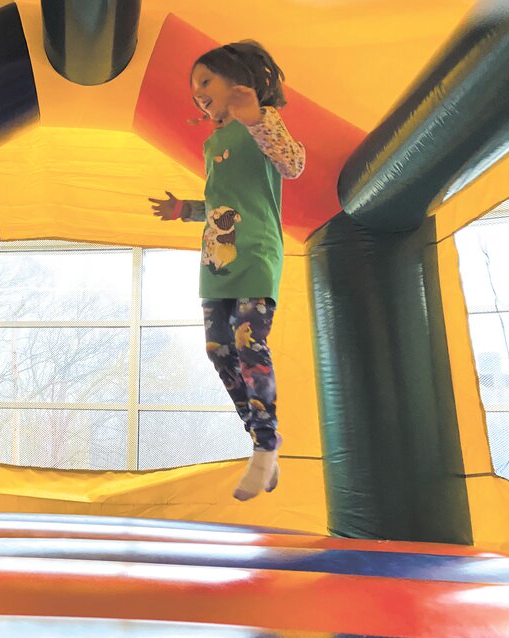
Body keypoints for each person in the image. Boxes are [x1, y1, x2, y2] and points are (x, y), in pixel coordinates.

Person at [149, 40, 305, 501]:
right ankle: (259, 438)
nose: (197, 92)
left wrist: (256, 116)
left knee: (246, 340)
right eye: (193, 86)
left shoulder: (262, 124)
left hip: (255, 254)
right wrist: (185, 209)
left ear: (237, 81)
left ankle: (264, 446)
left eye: (204, 81)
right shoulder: (213, 141)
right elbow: (224, 205)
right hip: (216, 263)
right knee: (218, 350)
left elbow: (293, 164)